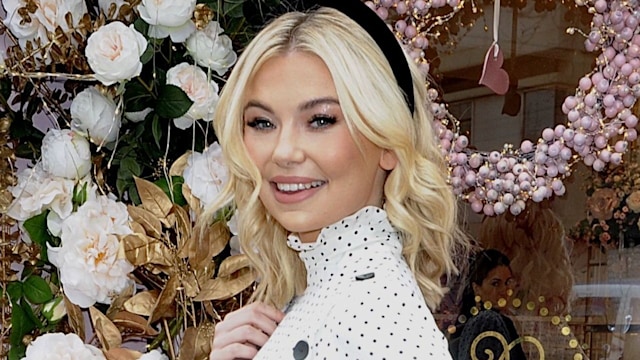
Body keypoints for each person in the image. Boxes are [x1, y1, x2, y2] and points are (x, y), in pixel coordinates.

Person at [205, 0, 468, 358]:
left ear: (388, 141)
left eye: (320, 120)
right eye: (262, 123)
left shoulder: (375, 311)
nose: (284, 152)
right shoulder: (322, 293)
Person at [449, 249, 527, 360]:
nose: (504, 290)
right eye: (495, 283)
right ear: (477, 288)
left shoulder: (472, 322)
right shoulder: (488, 321)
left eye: (507, 283)